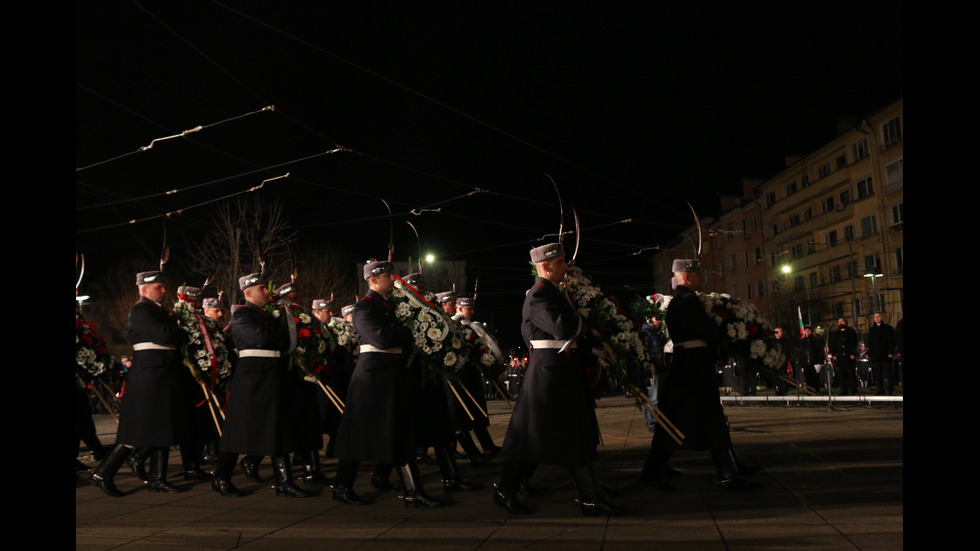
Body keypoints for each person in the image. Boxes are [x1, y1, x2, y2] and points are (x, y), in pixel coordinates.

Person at [494, 243, 623, 516]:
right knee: (539, 437)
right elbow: (564, 327)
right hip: (548, 374)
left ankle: (590, 494)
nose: (566, 266)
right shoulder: (538, 295)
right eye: (561, 261)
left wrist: (592, 348)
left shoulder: (554, 293)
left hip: (562, 370)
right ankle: (508, 489)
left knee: (552, 435)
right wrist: (586, 317)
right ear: (545, 266)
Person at [639, 258, 760, 491]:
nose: (701, 278)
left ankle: (728, 470)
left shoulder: (685, 300)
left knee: (701, 419)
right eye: (697, 275)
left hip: (691, 366)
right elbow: (708, 330)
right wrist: (725, 331)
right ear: (685, 276)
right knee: (688, 419)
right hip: (692, 368)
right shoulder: (686, 301)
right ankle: (724, 472)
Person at [331, 260, 443, 507]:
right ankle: (341, 486)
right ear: (373, 279)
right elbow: (380, 338)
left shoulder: (388, 306)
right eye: (387, 276)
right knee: (358, 435)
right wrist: (410, 332)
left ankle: (413, 491)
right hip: (371, 379)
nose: (393, 279)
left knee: (400, 432)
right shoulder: (364, 307)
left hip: (391, 376)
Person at [210, 272, 309, 498]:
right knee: (239, 430)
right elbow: (264, 339)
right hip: (252, 379)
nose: (267, 292)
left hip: (272, 375)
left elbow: (282, 340)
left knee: (278, 427)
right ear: (248, 293)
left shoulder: (267, 315)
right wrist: (277, 335)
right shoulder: (241, 315)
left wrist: (277, 335)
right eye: (261, 289)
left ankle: (284, 482)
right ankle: (221, 477)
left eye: (266, 288)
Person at [90, 270, 186, 496]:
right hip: (149, 375)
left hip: (161, 372)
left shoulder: (158, 311)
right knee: (136, 429)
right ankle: (102, 474)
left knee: (163, 425)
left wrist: (176, 329)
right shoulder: (141, 310)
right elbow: (165, 335)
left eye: (163, 287)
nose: (164, 290)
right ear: (144, 289)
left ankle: (157, 478)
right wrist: (178, 330)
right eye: (158, 287)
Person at [867, 312, 896, 395]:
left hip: (886, 354)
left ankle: (890, 389)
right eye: (875, 317)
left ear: (882, 318)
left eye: (878, 316)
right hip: (876, 355)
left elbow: (891, 341)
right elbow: (870, 343)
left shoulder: (888, 328)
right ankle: (880, 389)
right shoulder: (872, 330)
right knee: (878, 373)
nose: (876, 318)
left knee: (888, 373)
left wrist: (891, 352)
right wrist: (869, 353)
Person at [828, 318, 858, 395]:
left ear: (846, 322)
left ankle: (853, 390)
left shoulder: (851, 332)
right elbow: (833, 344)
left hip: (849, 356)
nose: (840, 323)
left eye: (842, 321)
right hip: (840, 357)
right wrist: (834, 354)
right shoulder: (836, 333)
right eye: (839, 322)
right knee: (842, 375)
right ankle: (844, 390)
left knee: (851, 374)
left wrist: (853, 353)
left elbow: (854, 343)